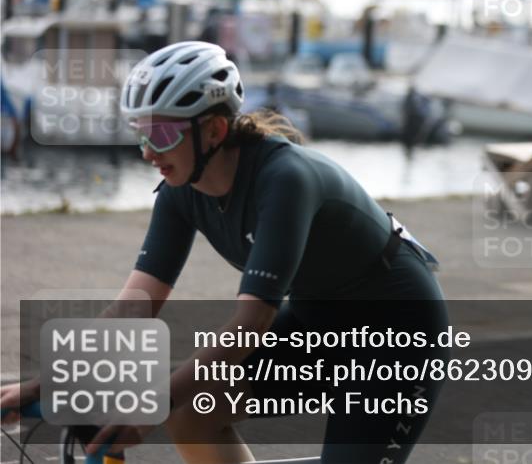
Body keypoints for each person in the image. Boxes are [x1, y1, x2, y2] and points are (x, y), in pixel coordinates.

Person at [1, 41, 448, 464]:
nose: (147, 152)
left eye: (160, 134)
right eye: (141, 134)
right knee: (192, 414)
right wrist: (48, 382)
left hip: (398, 337)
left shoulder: (285, 179)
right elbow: (133, 308)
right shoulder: (180, 191)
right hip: (320, 322)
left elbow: (251, 322)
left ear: (213, 129)